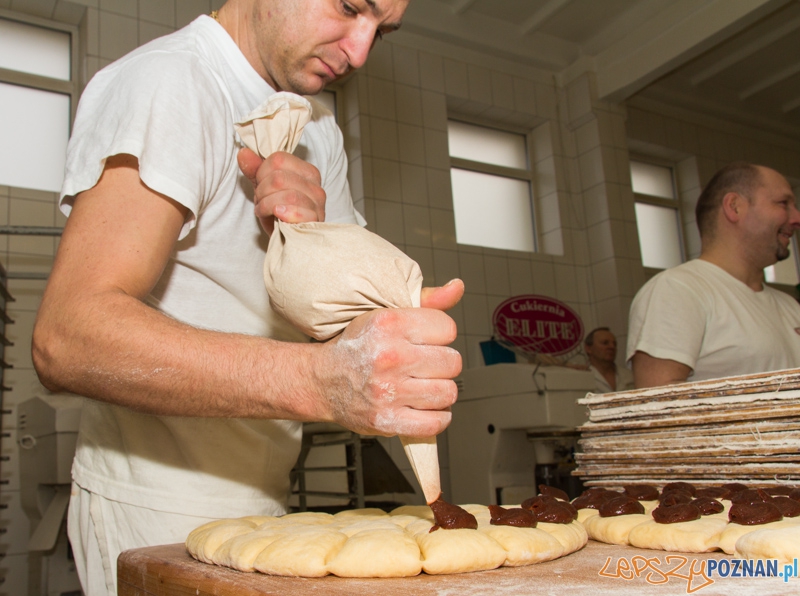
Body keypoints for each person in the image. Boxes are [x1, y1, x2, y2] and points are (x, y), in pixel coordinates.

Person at [30, 1, 464, 594]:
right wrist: (320, 383)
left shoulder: (317, 131)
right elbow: (67, 339)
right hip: (157, 508)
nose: (359, 51)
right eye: (349, 7)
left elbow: (336, 331)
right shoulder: (171, 81)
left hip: (270, 501)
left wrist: (312, 239)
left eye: (380, 32)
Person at [626, 162, 800, 389]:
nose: (796, 217)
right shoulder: (678, 290)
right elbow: (657, 408)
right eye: (783, 203)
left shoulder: (790, 307)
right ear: (735, 207)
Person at [584, 327, 634, 393]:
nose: (611, 347)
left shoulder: (629, 376)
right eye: (605, 343)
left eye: (614, 344)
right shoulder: (583, 377)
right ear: (588, 349)